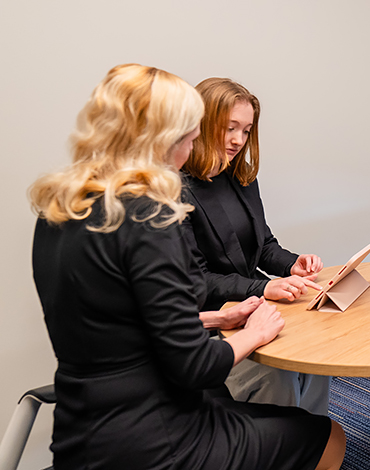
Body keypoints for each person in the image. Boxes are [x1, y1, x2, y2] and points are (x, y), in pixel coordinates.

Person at [29, 64, 344, 469]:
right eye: (192, 137)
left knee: (290, 417)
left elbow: (124, 325)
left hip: (82, 431)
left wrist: (218, 318)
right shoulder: (150, 217)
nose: (193, 151)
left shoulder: (60, 210)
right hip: (157, 436)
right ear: (163, 139)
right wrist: (254, 331)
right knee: (328, 436)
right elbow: (195, 366)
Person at [181, 77, 331, 415]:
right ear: (202, 124)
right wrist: (266, 287)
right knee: (277, 378)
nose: (238, 140)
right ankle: (283, 447)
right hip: (212, 323)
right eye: (230, 128)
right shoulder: (177, 192)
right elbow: (198, 282)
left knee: (320, 355)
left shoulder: (241, 177)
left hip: (253, 305)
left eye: (246, 131)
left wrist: (292, 265)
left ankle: (315, 447)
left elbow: (264, 246)